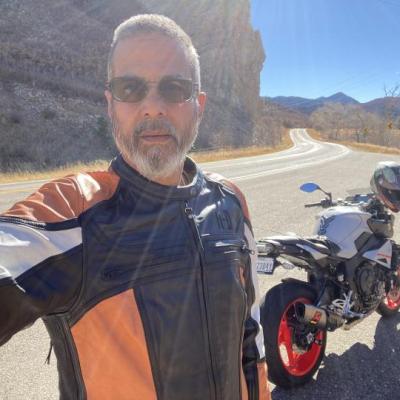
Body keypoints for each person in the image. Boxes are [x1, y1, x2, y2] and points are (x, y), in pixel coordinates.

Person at [0, 14, 270, 400]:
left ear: (199, 105)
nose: (153, 107)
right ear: (110, 104)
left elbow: (251, 337)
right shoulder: (73, 214)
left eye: (175, 88)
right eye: (130, 88)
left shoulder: (231, 201)